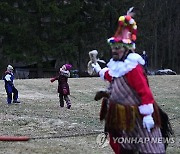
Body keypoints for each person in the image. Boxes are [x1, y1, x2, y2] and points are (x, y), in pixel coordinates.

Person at [92, 8, 166, 154]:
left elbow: (144, 92)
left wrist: (147, 115)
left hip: (139, 118)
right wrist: (98, 69)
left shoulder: (133, 68)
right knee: (126, 147)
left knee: (149, 147)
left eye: (118, 48)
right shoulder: (118, 66)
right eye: (113, 47)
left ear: (127, 49)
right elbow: (111, 76)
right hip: (124, 119)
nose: (114, 50)